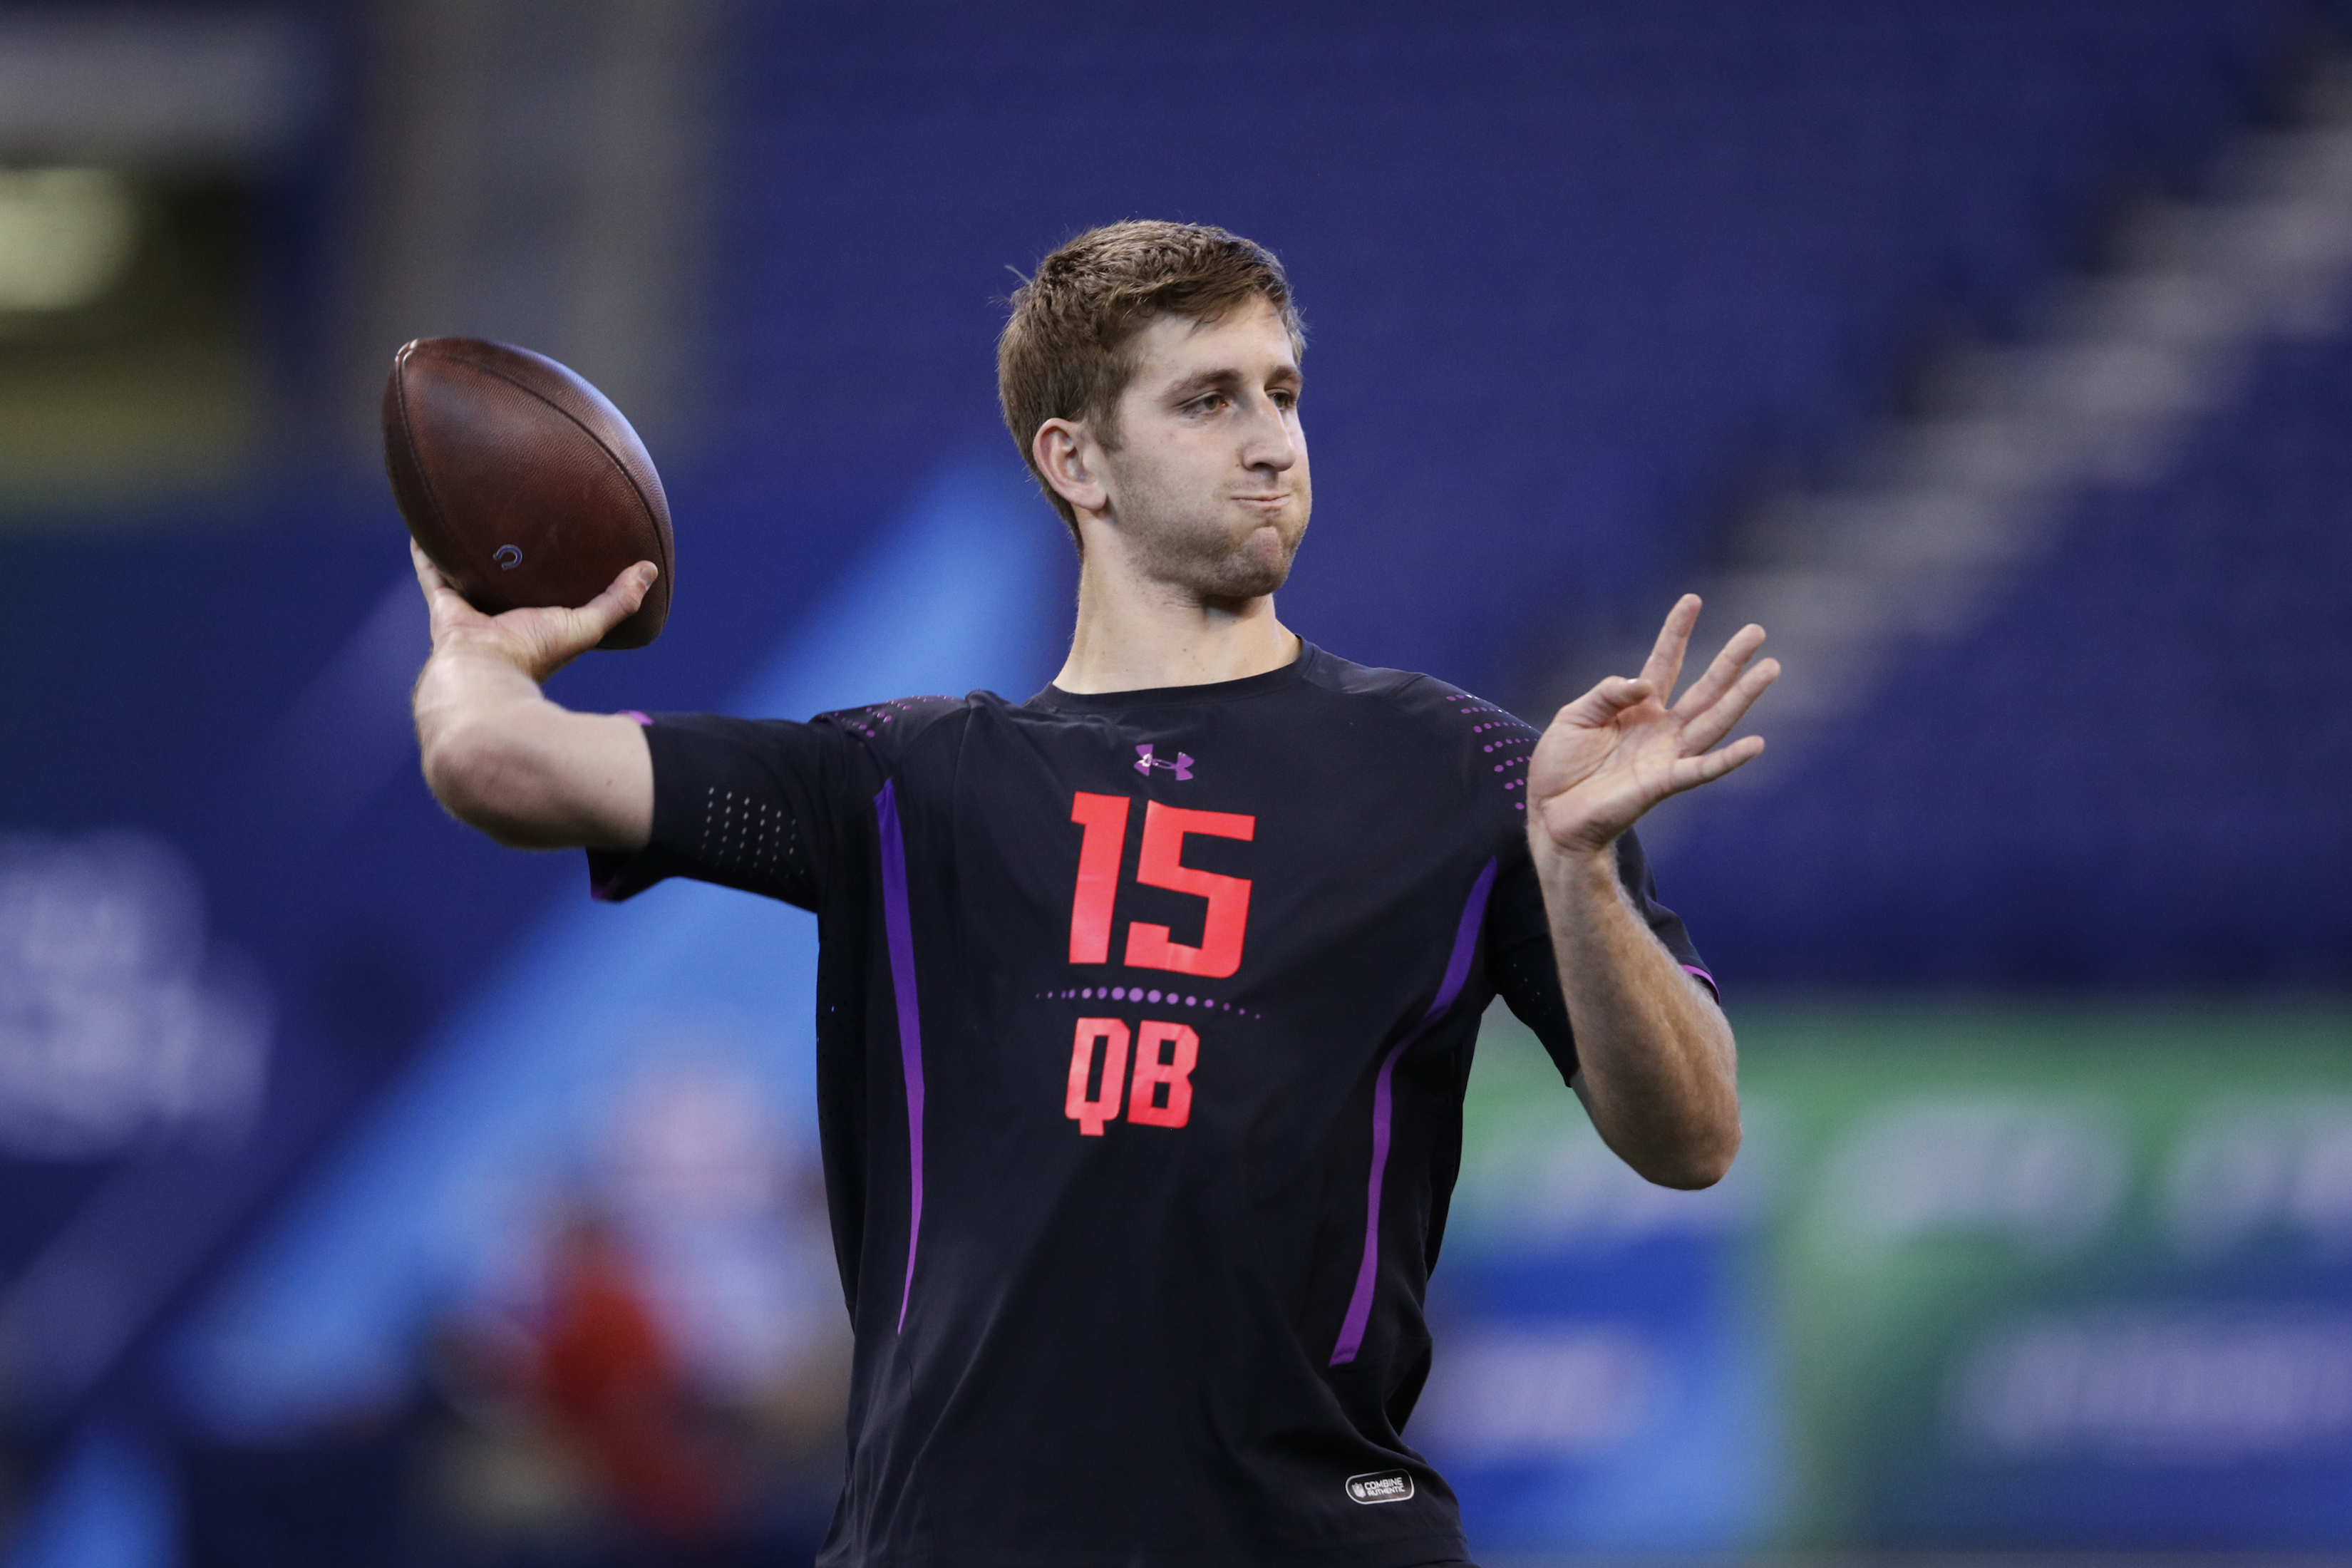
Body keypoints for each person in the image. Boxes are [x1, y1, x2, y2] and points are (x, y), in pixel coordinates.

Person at [410, 220, 1778, 1568]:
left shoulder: (1477, 771)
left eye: (1284, 393)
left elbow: (1693, 1136)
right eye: (1208, 399)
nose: (1271, 439)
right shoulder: (910, 781)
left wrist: (1582, 869)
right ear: (1075, 460)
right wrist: (480, 643)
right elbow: (493, 761)